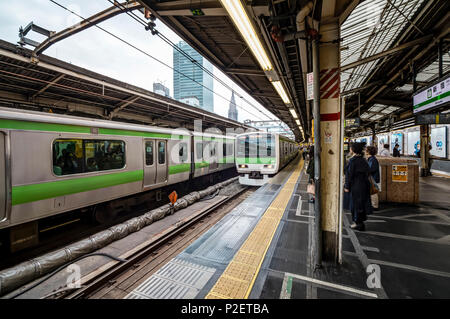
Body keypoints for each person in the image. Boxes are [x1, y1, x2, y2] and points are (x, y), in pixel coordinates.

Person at [344, 142, 372, 231]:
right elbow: (368, 172)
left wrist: (347, 186)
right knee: (361, 204)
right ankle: (360, 223)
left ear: (353, 150)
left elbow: (349, 175)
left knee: (355, 205)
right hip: (364, 185)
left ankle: (358, 223)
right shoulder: (364, 160)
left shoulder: (353, 161)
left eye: (351, 148)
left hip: (356, 186)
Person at [367, 146, 380, 210]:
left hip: (373, 178)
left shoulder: (373, 159)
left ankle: (375, 206)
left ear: (369, 151)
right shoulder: (371, 159)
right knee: (372, 192)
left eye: (366, 150)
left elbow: (371, 169)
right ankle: (373, 204)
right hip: (372, 177)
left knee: (373, 192)